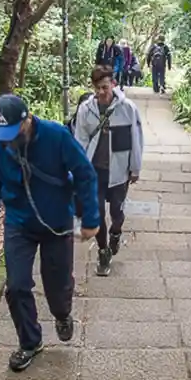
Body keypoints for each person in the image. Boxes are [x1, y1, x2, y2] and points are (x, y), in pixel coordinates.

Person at [0, 93, 100, 372]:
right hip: (18, 223)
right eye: (3, 134)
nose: (8, 139)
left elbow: (85, 173)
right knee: (17, 285)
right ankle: (29, 342)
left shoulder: (56, 135)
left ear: (28, 120)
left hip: (56, 221)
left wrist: (91, 218)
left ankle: (62, 314)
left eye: (13, 132)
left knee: (57, 284)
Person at [71, 65, 144, 276]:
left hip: (119, 169)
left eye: (105, 87)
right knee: (98, 213)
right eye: (98, 88)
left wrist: (135, 167)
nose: (102, 92)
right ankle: (103, 251)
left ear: (113, 84)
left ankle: (116, 232)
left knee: (117, 212)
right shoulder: (86, 109)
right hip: (95, 170)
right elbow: (80, 139)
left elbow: (136, 139)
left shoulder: (127, 108)